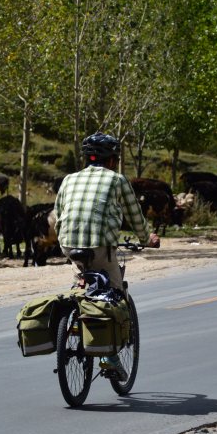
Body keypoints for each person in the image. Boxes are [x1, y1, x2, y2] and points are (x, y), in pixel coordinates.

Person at [55, 132, 159, 379]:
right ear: (112, 160)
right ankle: (110, 357)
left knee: (81, 287)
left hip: (70, 245)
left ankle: (75, 324)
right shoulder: (117, 180)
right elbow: (135, 215)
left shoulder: (69, 179)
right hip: (101, 247)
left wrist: (65, 246)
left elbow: (58, 216)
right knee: (114, 298)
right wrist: (148, 239)